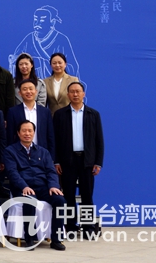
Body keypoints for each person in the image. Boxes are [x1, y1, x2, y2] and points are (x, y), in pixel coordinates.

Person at [4, 120, 66, 251]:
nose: (27, 133)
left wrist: (53, 186)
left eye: (30, 131)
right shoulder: (10, 151)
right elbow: (12, 172)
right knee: (30, 199)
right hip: (22, 188)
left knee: (60, 200)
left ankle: (56, 239)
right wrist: (24, 186)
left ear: (34, 133)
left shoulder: (43, 152)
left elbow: (51, 171)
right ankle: (30, 239)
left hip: (42, 187)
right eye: (24, 131)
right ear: (18, 133)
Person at [54, 81, 104, 236]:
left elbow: (99, 140)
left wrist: (98, 162)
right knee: (68, 195)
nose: (75, 94)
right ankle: (70, 226)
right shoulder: (60, 114)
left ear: (84, 94)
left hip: (87, 161)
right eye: (72, 92)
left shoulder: (93, 114)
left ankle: (88, 227)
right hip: (67, 161)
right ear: (68, 95)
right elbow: (55, 140)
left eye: (78, 91)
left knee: (87, 195)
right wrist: (56, 161)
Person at [9, 5, 80, 81]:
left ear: (52, 22)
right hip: (30, 84)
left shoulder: (61, 40)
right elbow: (16, 59)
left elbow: (72, 68)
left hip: (54, 83)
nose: (37, 23)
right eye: (35, 20)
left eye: (42, 21)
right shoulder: (29, 38)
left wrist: (42, 58)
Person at [7, 79, 56, 158]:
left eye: (31, 89)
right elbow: (10, 136)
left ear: (36, 91)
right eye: (25, 89)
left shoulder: (45, 112)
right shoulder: (13, 111)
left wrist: (52, 157)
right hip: (19, 155)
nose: (28, 92)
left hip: (41, 155)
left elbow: (50, 136)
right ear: (19, 93)